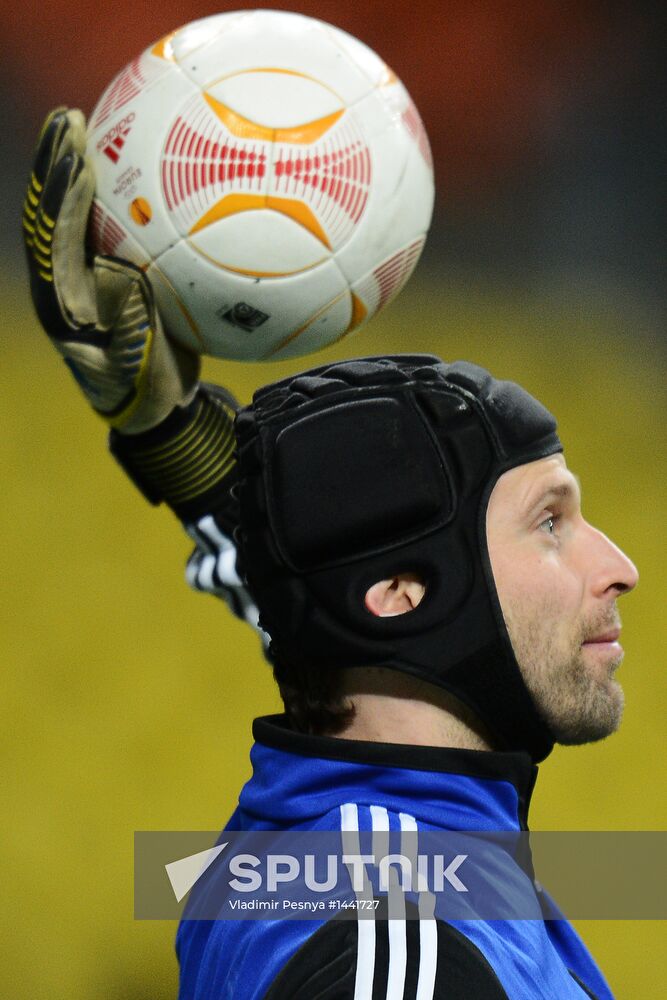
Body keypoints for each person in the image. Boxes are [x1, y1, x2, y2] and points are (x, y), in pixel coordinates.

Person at [24, 109, 638, 999]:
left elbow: (337, 609)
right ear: (400, 593)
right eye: (549, 522)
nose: (618, 565)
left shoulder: (338, 849)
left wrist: (172, 437)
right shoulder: (400, 951)